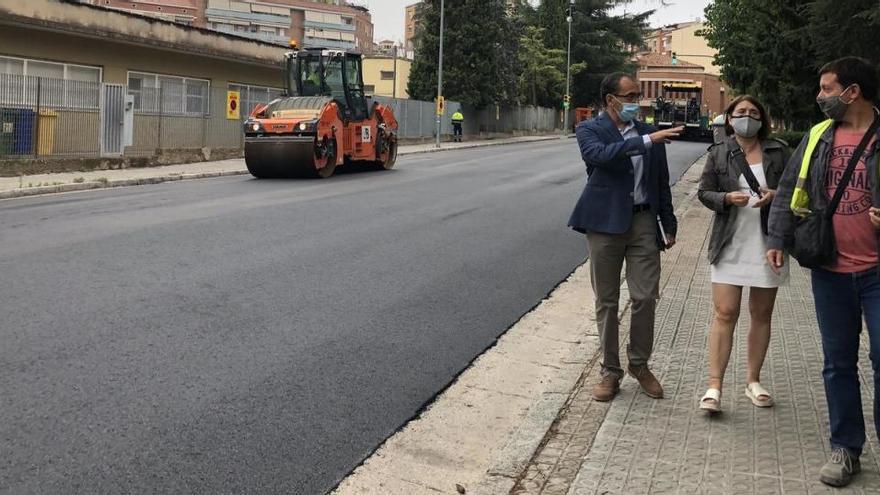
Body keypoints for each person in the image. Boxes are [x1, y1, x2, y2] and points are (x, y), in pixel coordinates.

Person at [766, 56, 880, 488]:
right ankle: (847, 448)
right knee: (837, 363)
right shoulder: (818, 135)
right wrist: (777, 240)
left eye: (828, 88)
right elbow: (787, 190)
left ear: (852, 92)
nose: (821, 96)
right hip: (830, 268)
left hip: (877, 271)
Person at [569, 72, 683, 402]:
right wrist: (647, 141)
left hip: (644, 221)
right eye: (630, 96)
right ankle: (610, 371)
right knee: (606, 300)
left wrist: (669, 222)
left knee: (645, 296)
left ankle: (639, 364)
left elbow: (660, 182)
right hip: (603, 223)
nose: (637, 101)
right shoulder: (590, 129)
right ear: (611, 100)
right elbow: (601, 156)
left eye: (637, 95)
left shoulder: (650, 133)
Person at [696, 95, 791, 414]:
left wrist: (776, 195)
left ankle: (753, 380)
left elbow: (794, 192)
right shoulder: (719, 151)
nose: (747, 117)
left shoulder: (778, 151)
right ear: (729, 117)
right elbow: (703, 192)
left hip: (768, 243)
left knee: (761, 314)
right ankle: (714, 386)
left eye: (753, 112)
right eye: (741, 112)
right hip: (729, 242)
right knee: (725, 313)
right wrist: (726, 198)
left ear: (762, 119)